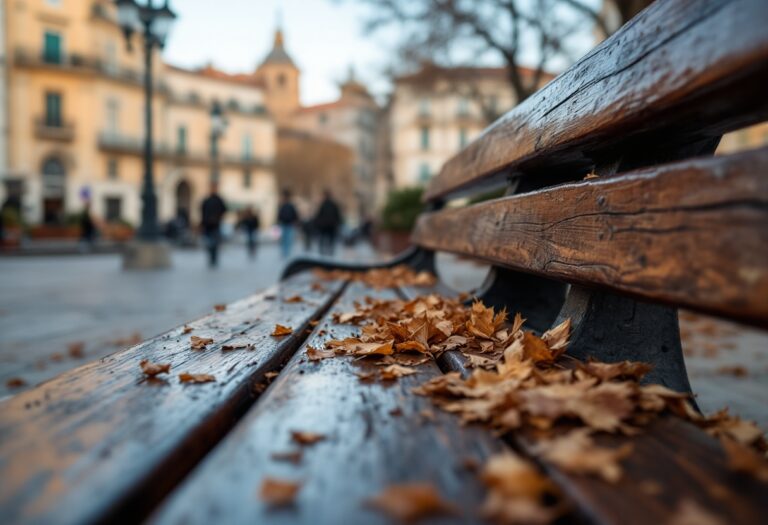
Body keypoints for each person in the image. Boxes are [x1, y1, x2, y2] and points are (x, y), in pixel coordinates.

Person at [201, 182, 227, 268]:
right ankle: (211, 258)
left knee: (215, 243)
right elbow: (202, 212)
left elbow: (224, 210)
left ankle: (214, 259)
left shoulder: (219, 200)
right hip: (208, 226)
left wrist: (217, 217)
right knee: (209, 244)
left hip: (216, 225)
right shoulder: (207, 200)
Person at [314, 189, 343, 257]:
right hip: (331, 226)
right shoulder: (333, 204)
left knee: (323, 240)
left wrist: (317, 223)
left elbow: (319, 215)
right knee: (330, 241)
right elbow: (338, 215)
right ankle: (329, 252)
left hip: (325, 226)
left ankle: (323, 253)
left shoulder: (323, 204)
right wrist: (338, 223)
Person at [276, 189, 299, 258]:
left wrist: (295, 221)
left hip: (289, 224)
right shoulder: (282, 205)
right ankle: (284, 252)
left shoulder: (290, 205)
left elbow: (295, 214)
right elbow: (279, 215)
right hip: (284, 224)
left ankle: (287, 252)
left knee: (288, 239)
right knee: (284, 239)